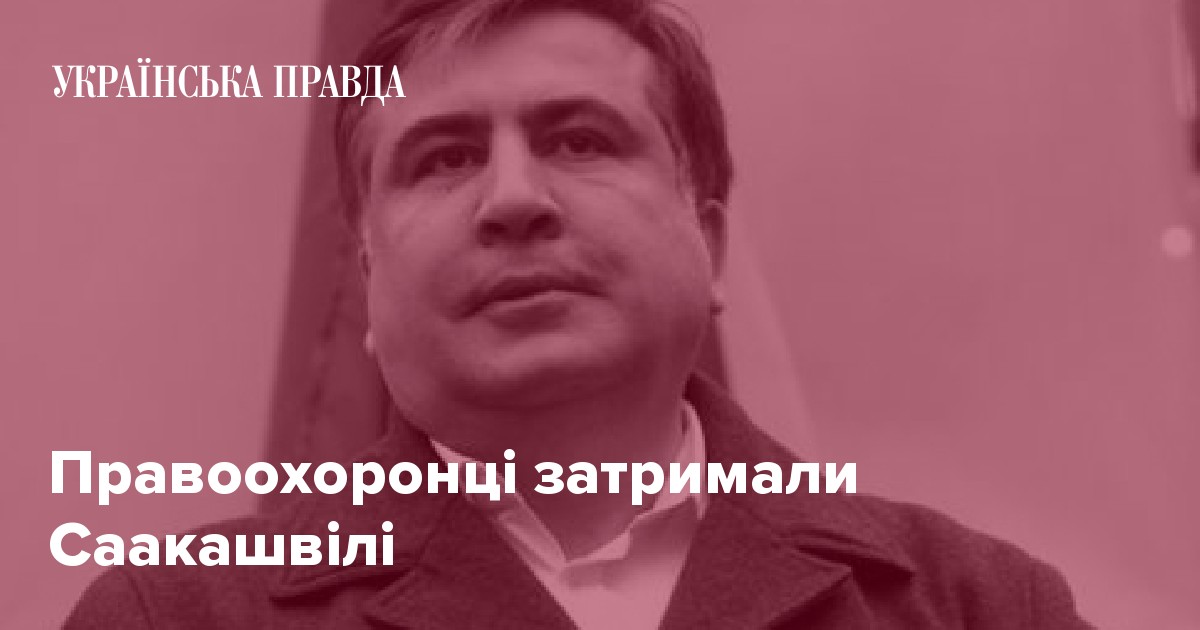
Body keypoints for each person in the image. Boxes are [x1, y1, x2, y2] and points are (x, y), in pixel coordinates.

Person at [65, 0, 1095, 627]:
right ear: (368, 284)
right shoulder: (173, 616)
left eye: (580, 140)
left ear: (708, 239)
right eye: (445, 158)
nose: (513, 200)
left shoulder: (981, 607)